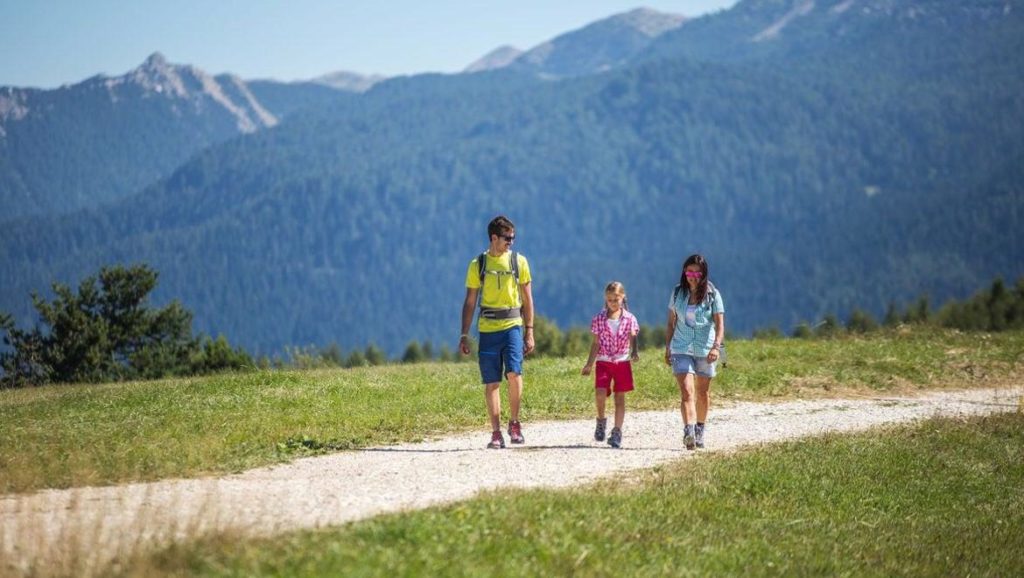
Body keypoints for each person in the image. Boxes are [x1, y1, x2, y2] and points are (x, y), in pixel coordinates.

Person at [460, 215, 535, 449]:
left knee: (514, 373)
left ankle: (514, 423)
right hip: (488, 329)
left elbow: (527, 298)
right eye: (507, 238)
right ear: (494, 237)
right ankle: (495, 433)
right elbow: (470, 301)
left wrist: (529, 330)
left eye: (513, 237)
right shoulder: (478, 265)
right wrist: (464, 334)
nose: (511, 242)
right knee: (491, 381)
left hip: (513, 326)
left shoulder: (518, 262)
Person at [665, 254, 725, 450]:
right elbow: (671, 322)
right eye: (689, 271)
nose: (692, 276)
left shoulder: (712, 294)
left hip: (705, 349)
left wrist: (716, 347)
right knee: (687, 391)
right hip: (681, 347)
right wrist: (668, 347)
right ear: (685, 272)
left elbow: (719, 324)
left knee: (702, 392)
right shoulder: (677, 293)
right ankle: (688, 430)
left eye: (696, 272)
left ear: (703, 274)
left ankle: (700, 428)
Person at [582, 282, 639, 449]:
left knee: (619, 397)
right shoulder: (599, 319)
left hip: (622, 361)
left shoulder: (630, 318)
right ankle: (601, 420)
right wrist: (589, 364)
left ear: (623, 298)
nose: (613, 302)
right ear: (605, 300)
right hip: (604, 361)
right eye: (610, 300)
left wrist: (634, 352)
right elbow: (596, 343)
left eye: (616, 299)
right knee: (600, 392)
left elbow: (633, 337)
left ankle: (617, 431)